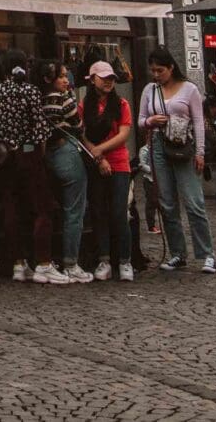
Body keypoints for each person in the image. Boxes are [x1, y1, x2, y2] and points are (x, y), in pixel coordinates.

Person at [0, 52, 61, 283]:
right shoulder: (30, 91)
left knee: (12, 209)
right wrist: (41, 155)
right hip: (27, 155)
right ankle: (44, 263)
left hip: (4, 156)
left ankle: (18, 264)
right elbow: (40, 130)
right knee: (42, 208)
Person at [140, 53, 213, 275]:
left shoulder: (189, 89)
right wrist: (150, 121)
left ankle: (207, 254)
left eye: (160, 70)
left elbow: (199, 122)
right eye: (153, 70)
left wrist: (200, 152)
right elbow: (140, 119)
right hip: (159, 145)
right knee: (167, 202)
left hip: (183, 145)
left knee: (193, 201)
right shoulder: (149, 90)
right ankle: (178, 254)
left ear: (171, 67)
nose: (156, 75)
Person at [80, 60, 137, 281]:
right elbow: (81, 132)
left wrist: (99, 151)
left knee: (119, 212)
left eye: (111, 78)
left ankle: (125, 260)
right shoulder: (85, 106)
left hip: (119, 162)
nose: (108, 82)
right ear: (92, 79)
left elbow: (123, 134)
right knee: (98, 211)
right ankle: (104, 259)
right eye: (103, 78)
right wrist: (97, 156)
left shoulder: (121, 104)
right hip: (96, 163)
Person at [40, 60, 92, 281]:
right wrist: (72, 126)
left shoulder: (41, 98)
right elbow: (78, 125)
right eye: (61, 76)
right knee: (74, 211)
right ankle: (71, 262)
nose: (65, 80)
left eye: (66, 76)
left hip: (49, 155)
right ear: (49, 79)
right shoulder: (63, 98)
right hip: (68, 154)